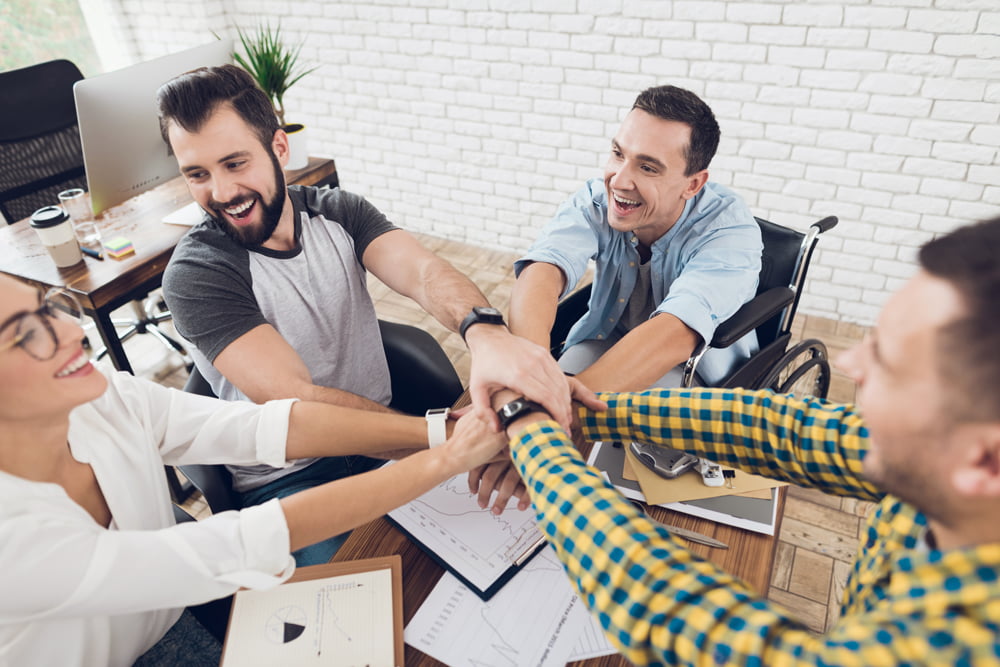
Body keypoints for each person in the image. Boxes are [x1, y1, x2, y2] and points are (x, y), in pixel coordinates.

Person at [467, 216, 1000, 665]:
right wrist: (585, 415)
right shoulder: (946, 466)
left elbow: (667, 604)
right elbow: (781, 432)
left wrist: (529, 426)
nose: (850, 362)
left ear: (984, 460)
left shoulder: (954, 645)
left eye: (891, 363)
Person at [158, 65, 570, 552]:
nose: (222, 193)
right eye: (197, 175)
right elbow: (296, 402)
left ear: (280, 148)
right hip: (292, 482)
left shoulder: (337, 212)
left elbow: (424, 273)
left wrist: (487, 335)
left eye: (235, 163)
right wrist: (444, 438)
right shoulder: (196, 274)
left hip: (388, 443)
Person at [0, 273, 507, 666]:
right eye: (26, 335)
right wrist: (444, 461)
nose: (71, 332)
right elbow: (241, 540)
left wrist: (438, 432)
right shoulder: (12, 539)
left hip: (167, 622)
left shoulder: (106, 397)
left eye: (49, 310)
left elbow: (265, 428)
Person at [509, 84, 762, 392]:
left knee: (600, 428)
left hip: (694, 369)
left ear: (693, 184)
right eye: (618, 154)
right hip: (610, 336)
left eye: (647, 167)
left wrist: (561, 403)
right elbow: (543, 270)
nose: (619, 180)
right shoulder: (596, 200)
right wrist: (527, 376)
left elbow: (676, 332)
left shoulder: (730, 232)